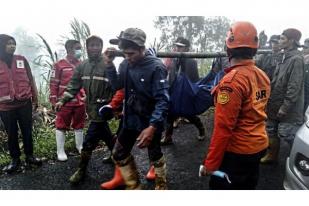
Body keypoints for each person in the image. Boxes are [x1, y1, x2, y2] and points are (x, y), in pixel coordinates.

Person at [199, 21, 270, 189]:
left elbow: (223, 128)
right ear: (255, 48)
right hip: (258, 145)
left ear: (228, 48)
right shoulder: (262, 75)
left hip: (238, 152)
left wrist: (211, 164)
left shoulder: (231, 83)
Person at [102, 28, 169, 189]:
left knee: (154, 154)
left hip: (150, 118)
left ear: (142, 49)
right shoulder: (125, 64)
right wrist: (110, 65)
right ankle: (134, 187)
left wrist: (152, 127)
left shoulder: (156, 67)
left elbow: (163, 100)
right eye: (125, 53)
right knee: (118, 153)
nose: (127, 57)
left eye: (131, 53)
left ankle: (161, 185)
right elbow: (117, 85)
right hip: (130, 117)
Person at [55, 35, 117, 184]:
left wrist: (116, 107)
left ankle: (81, 170)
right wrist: (62, 100)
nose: (95, 48)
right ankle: (116, 154)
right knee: (106, 135)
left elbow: (116, 86)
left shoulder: (108, 65)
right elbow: (73, 86)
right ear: (87, 47)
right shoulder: (82, 66)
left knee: (89, 140)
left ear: (101, 47)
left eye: (97, 45)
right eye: (92, 45)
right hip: (91, 108)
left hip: (104, 109)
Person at [261, 28, 305, 163]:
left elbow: (294, 86)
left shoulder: (296, 59)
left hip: (288, 106)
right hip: (275, 102)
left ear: (291, 41)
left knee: (288, 134)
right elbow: (275, 80)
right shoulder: (283, 57)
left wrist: (285, 107)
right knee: (271, 129)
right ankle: (272, 156)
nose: (279, 41)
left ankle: (302, 162)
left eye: (282, 39)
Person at [0, 34, 42, 173]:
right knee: (11, 133)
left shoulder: (21, 60)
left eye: (14, 43)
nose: (12, 46)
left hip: (24, 103)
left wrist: (35, 99)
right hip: (5, 106)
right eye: (9, 43)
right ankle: (15, 160)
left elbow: (31, 79)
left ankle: (30, 156)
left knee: (27, 131)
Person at [161, 37, 205, 145]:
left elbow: (194, 79)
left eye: (180, 46)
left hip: (185, 91)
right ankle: (168, 137)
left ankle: (201, 129)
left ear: (186, 48)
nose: (177, 48)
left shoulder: (191, 61)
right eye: (176, 46)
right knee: (170, 114)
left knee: (189, 114)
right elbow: (170, 75)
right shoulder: (174, 59)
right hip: (173, 90)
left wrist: (191, 92)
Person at [49, 40, 86, 161]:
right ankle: (60, 151)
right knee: (61, 125)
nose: (80, 51)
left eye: (80, 48)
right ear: (69, 49)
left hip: (80, 101)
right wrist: (54, 100)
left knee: (79, 125)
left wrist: (87, 96)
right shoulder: (59, 65)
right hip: (64, 102)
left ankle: (80, 146)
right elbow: (54, 84)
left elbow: (85, 82)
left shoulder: (81, 64)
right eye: (77, 48)